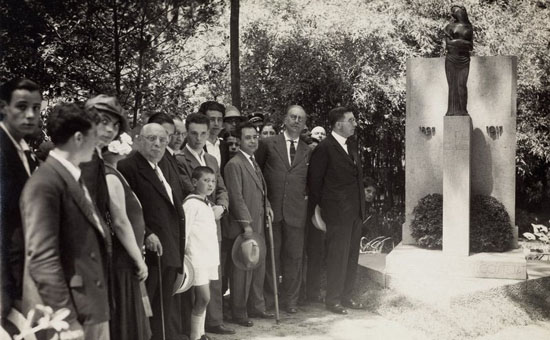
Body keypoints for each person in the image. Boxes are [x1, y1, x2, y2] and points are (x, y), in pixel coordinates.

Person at [21, 102, 111, 340]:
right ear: (79, 138)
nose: (98, 143)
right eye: (94, 136)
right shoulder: (45, 183)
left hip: (91, 306)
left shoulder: (71, 176)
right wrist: (67, 320)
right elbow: (42, 259)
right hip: (73, 313)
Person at [118, 123, 186, 340]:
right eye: (151, 139)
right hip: (148, 252)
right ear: (139, 140)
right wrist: (146, 233)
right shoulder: (128, 167)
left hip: (169, 249)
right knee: (146, 310)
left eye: (162, 140)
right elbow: (124, 208)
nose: (157, 144)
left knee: (162, 310)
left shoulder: (162, 166)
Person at [176, 113, 235, 336]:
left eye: (203, 133)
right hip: (197, 222)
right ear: (187, 133)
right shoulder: (180, 159)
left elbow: (220, 187)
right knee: (195, 283)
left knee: (214, 278)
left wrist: (222, 206)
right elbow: (187, 189)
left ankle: (214, 321)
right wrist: (208, 206)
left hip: (213, 223)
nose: (199, 138)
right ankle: (192, 330)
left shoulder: (211, 159)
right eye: (194, 133)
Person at [307, 107, 366, 315]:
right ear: (338, 124)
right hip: (336, 214)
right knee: (337, 257)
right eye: (351, 120)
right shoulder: (324, 148)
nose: (355, 123)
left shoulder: (352, 145)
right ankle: (333, 300)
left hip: (355, 212)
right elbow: (315, 183)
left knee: (351, 256)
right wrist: (324, 210)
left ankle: (346, 296)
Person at [255, 105, 311, 314]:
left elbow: (309, 181)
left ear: (304, 124)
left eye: (301, 119)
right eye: (293, 117)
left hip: (297, 213)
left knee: (294, 258)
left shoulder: (308, 150)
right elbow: (257, 174)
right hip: (272, 211)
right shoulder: (268, 144)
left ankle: (291, 301)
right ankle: (271, 299)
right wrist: (265, 202)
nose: (296, 121)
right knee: (271, 256)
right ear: (285, 119)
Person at [0, 78, 41, 328]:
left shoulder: (22, 150)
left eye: (36, 108)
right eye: (22, 106)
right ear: (3, 107)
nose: (30, 115)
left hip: (22, 272)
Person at [224, 122, 274, 326]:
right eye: (248, 137)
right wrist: (246, 224)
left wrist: (268, 205)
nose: (253, 141)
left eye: (255, 137)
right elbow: (235, 197)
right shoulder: (234, 164)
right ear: (238, 140)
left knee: (258, 264)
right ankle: (239, 311)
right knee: (243, 267)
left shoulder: (253, 161)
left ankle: (257, 306)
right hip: (245, 226)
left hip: (259, 221)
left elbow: (261, 190)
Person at [102, 133, 151, 340]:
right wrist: (138, 260)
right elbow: (120, 222)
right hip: (124, 259)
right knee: (128, 321)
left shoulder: (115, 172)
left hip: (129, 255)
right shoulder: (109, 175)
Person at [183, 166, 221, 340]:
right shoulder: (191, 204)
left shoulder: (206, 203)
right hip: (195, 258)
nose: (210, 184)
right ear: (194, 182)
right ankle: (194, 336)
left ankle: (201, 333)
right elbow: (184, 231)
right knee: (203, 298)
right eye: (206, 180)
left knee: (205, 298)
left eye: (213, 181)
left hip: (207, 258)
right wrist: (184, 258)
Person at [444, 5, 473, 116]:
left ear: (463, 12)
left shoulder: (469, 27)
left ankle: (463, 110)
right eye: (454, 12)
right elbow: (448, 45)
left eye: (457, 11)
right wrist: (462, 42)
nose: (455, 14)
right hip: (451, 58)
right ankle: (451, 111)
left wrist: (456, 41)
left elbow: (470, 46)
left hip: (464, 59)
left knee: (462, 85)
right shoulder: (449, 27)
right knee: (452, 86)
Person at [198, 101, 230, 174]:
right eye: (212, 119)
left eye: (219, 120)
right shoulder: (196, 144)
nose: (216, 123)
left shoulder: (225, 146)